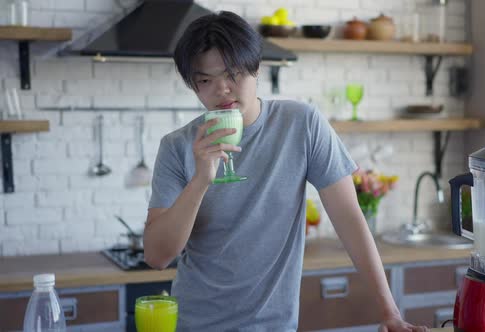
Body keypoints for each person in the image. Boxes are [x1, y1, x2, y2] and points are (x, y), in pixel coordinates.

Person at [144, 10, 427, 332]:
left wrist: (389, 313)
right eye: (205, 81)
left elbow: (350, 219)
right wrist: (201, 179)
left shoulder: (301, 123)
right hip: (196, 323)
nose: (221, 89)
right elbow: (157, 256)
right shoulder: (177, 146)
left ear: (256, 68)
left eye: (232, 74)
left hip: (275, 325)